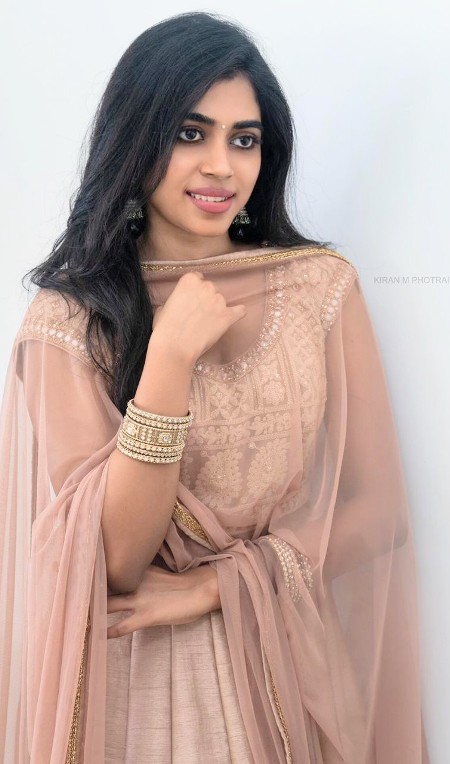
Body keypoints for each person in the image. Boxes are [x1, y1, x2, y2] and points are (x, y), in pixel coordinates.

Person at [0, 11, 429, 763]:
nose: (222, 166)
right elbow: (114, 559)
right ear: (136, 139)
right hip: (133, 693)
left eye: (244, 139)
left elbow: (380, 511)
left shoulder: (319, 287)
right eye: (190, 133)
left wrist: (216, 587)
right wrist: (168, 358)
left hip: (285, 665)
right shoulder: (68, 319)